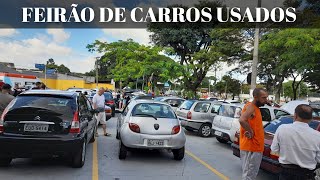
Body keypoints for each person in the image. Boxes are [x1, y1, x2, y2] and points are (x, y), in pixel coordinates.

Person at [271, 104, 320, 180]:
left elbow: (274, 150)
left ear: (295, 115)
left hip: (286, 173)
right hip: (306, 175)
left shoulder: (282, 128)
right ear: (311, 118)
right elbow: (318, 159)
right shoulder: (317, 136)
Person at [238, 88, 269, 180]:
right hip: (251, 148)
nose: (266, 100)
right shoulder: (251, 107)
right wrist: (250, 132)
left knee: (252, 174)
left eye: (266, 98)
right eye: (264, 98)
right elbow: (242, 120)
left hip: (256, 147)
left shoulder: (256, 108)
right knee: (248, 176)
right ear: (255, 97)